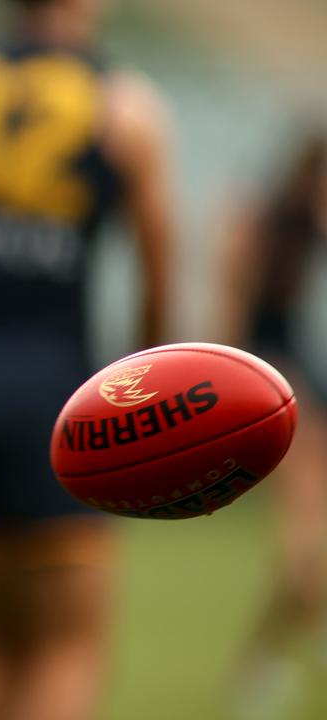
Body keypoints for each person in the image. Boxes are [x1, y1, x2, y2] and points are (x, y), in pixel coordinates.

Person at [0, 1, 175, 718]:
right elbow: (159, 268)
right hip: (56, 392)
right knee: (67, 651)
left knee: (4, 658)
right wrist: (148, 392)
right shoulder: (126, 104)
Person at [218, 132, 327, 720]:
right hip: (271, 388)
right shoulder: (262, 224)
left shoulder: (307, 227)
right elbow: (232, 308)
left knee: (310, 561)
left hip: (305, 384)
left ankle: (277, 653)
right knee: (303, 556)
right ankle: (258, 663)